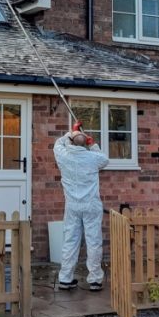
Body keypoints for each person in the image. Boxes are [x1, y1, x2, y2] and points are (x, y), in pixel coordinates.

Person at [54, 123, 109, 291]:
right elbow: (104, 160)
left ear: (71, 142)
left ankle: (65, 278)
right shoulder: (92, 158)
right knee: (94, 241)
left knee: (70, 240)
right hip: (91, 204)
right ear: (85, 144)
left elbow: (57, 144)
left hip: (72, 205)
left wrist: (70, 133)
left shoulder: (63, 156)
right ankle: (95, 279)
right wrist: (93, 144)